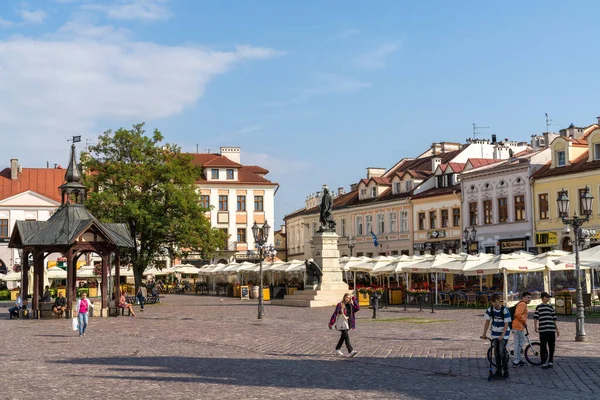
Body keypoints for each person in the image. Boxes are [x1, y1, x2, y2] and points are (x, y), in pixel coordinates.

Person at [481, 293, 511, 379]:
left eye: (495, 302)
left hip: (504, 333)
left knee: (501, 350)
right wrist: (484, 333)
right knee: (496, 352)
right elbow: (487, 322)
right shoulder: (490, 309)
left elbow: (506, 324)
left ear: (499, 300)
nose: (493, 304)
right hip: (494, 332)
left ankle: (505, 370)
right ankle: (498, 370)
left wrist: (502, 335)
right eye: (492, 302)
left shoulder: (505, 310)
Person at [328, 293, 360, 357]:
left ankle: (337, 348)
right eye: (347, 297)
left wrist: (354, 299)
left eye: (349, 298)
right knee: (346, 336)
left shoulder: (350, 305)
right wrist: (331, 323)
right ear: (344, 297)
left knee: (343, 336)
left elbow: (357, 308)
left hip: (348, 323)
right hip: (342, 323)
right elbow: (335, 314)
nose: (348, 299)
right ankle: (350, 351)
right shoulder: (340, 305)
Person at [534, 292, 559, 369]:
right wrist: (535, 326)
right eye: (547, 297)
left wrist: (557, 329)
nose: (548, 298)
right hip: (543, 330)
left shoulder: (551, 307)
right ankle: (544, 361)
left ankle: (550, 360)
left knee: (552, 346)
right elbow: (536, 317)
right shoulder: (538, 307)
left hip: (551, 329)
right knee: (543, 346)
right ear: (543, 298)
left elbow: (554, 318)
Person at [511, 291, 532, 367]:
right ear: (523, 297)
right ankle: (516, 361)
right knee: (518, 344)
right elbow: (518, 314)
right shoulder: (523, 304)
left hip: (518, 326)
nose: (529, 299)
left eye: (530, 298)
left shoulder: (522, 304)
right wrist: (524, 321)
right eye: (528, 297)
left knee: (519, 344)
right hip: (517, 326)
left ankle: (518, 360)